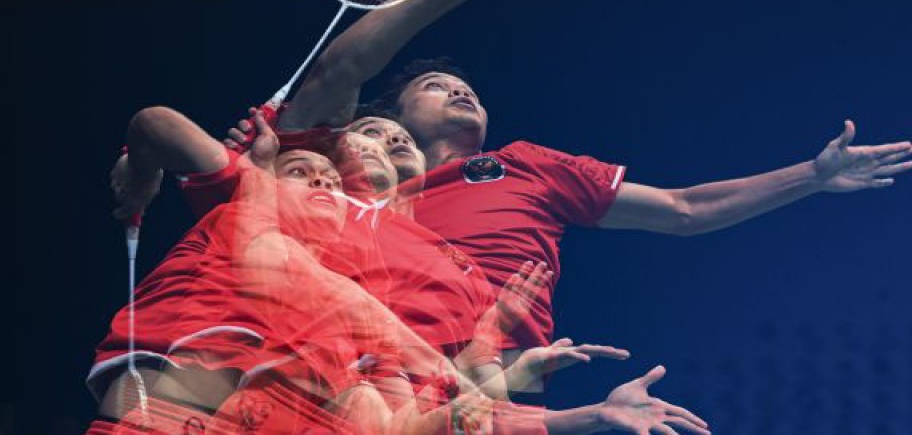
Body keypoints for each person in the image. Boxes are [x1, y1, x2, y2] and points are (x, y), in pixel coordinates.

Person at [203, 0, 912, 372]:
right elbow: (340, 72)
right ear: (384, 124)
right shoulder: (349, 179)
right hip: (350, 368)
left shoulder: (527, 166)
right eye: (434, 85)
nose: (459, 92)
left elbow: (684, 209)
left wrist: (813, 175)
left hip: (492, 378)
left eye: (466, 86)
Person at [102, 108, 708, 435]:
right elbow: (158, 126)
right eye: (364, 136)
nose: (321, 179)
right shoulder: (274, 200)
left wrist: (580, 414)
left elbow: (430, 421)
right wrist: (147, 170)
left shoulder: (447, 268)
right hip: (188, 397)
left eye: (396, 142)